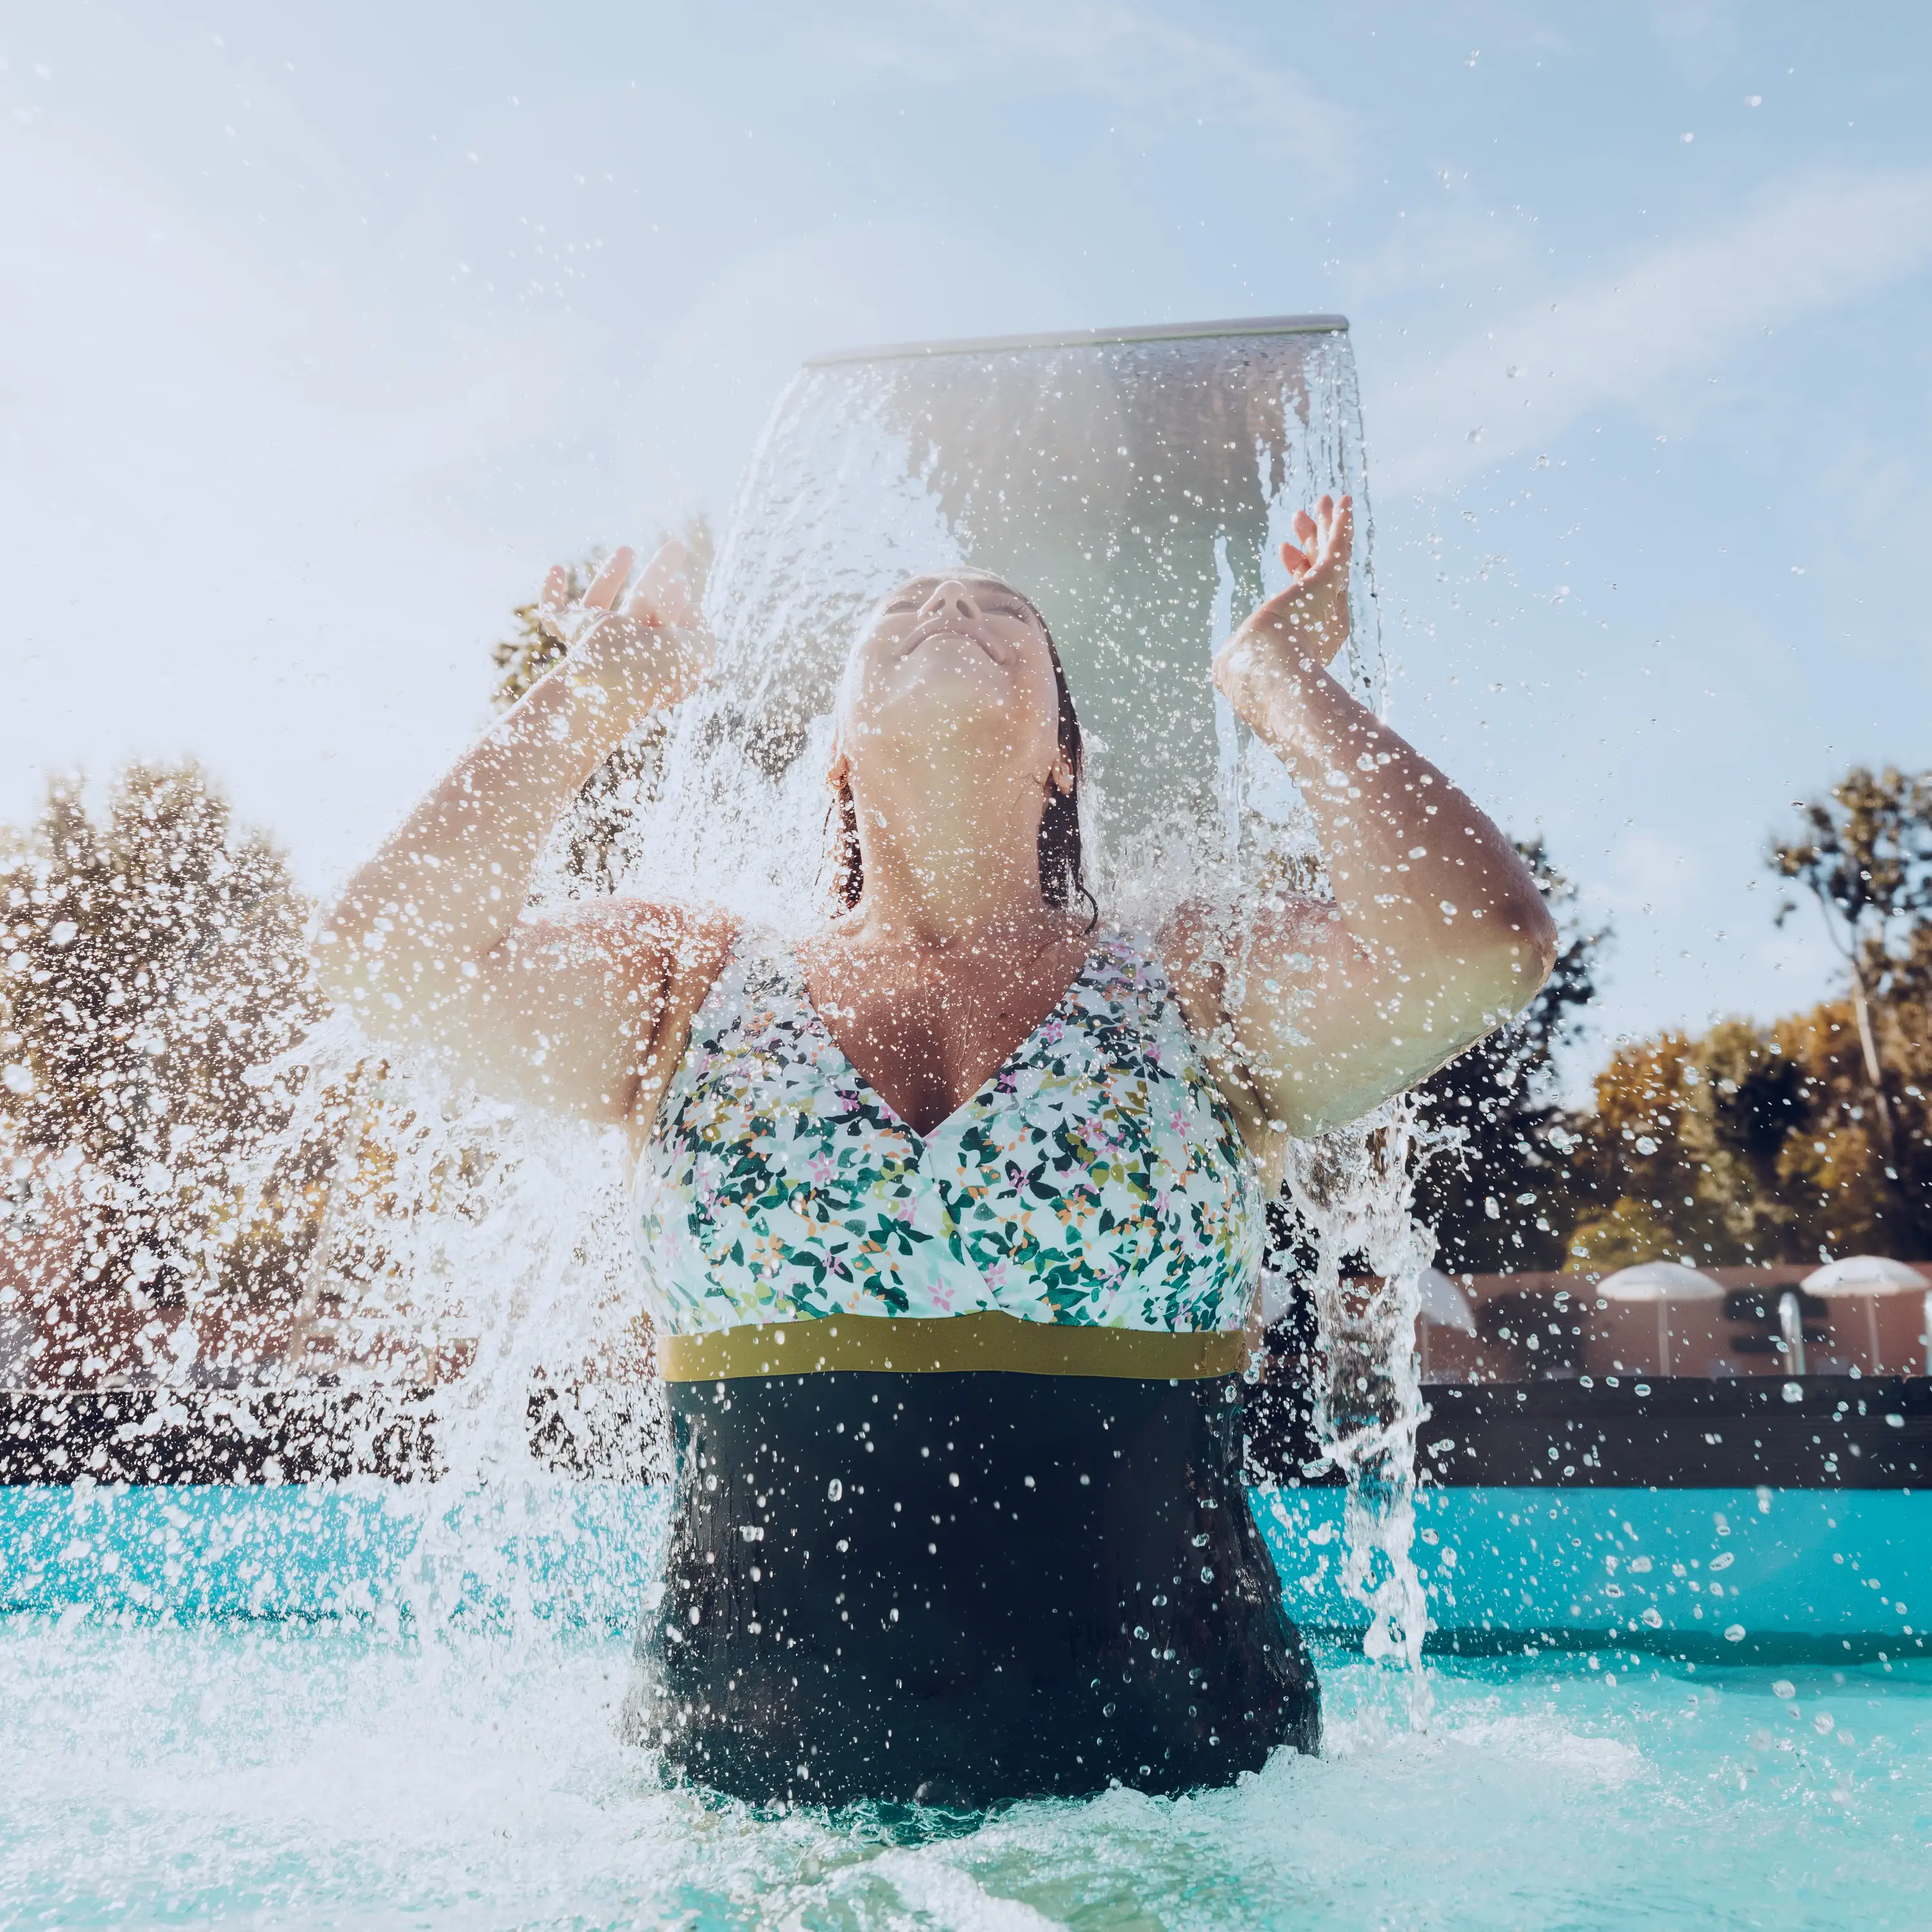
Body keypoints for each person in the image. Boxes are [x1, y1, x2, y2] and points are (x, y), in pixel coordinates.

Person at [317, 495, 1555, 1807]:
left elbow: (1478, 951)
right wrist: (592, 694)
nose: (948, 610)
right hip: (758, 1835)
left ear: (1066, 759)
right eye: (901, 612)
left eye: (1002, 612)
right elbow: (387, 960)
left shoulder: (1191, 973)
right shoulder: (688, 975)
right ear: (837, 753)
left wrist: (1280, 683)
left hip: (1177, 1823)